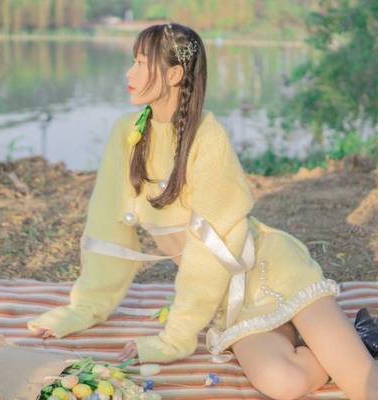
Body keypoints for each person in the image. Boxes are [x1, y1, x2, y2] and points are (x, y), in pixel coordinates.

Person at [27, 22, 378, 399]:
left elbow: (210, 248)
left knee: (365, 385)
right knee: (284, 383)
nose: (129, 73)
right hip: (231, 301)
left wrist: (176, 337)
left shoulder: (208, 137)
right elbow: (107, 228)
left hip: (275, 269)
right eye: (133, 62)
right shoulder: (127, 134)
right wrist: (84, 309)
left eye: (141, 63)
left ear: (174, 74)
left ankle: (341, 343)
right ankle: (349, 338)